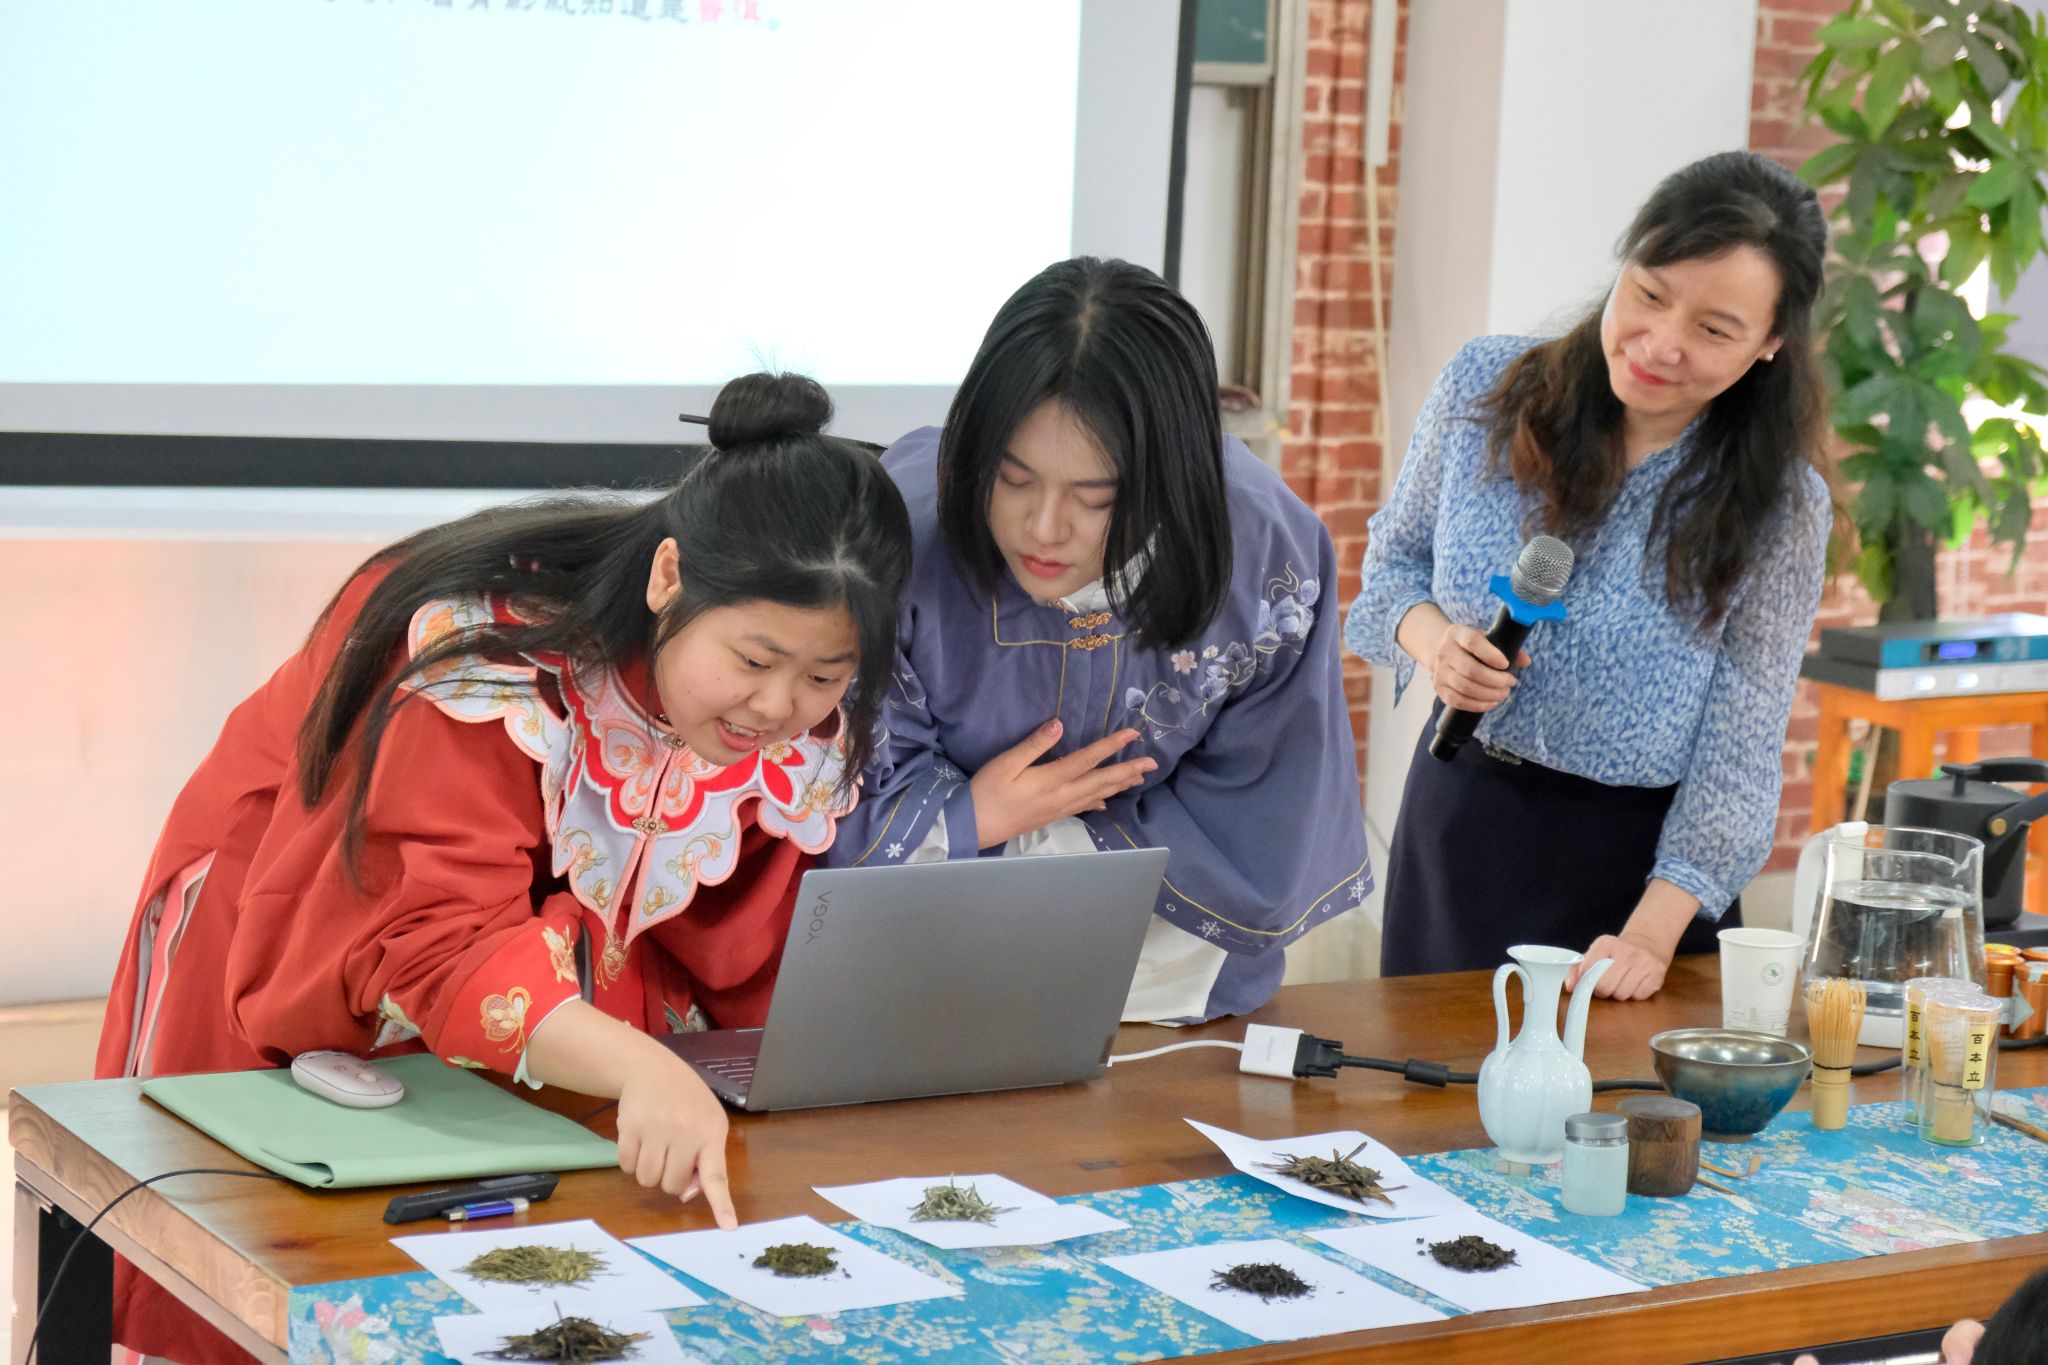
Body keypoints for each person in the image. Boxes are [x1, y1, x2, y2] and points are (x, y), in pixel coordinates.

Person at [92, 373, 911, 1365]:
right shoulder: (484, 656)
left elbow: (733, 938)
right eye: (752, 660)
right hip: (307, 900)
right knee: (257, 1253)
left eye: (823, 675)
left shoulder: (797, 721)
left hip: (518, 956)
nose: (778, 708)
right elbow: (434, 933)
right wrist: (639, 1064)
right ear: (668, 578)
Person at [825, 256, 1372, 1023]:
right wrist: (978, 816)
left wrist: (1068, 848)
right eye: (1013, 479)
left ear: (1173, 478)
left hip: (1160, 948)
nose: (1044, 529)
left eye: (1096, 498)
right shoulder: (901, 538)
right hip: (926, 930)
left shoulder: (1265, 554)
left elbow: (1264, 811)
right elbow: (844, 800)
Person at [1345, 150, 1833, 998]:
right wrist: (1437, 645)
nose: (1662, 345)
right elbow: (1391, 567)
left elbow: (1741, 749)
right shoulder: (1487, 389)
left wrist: (1648, 935)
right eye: (1649, 294)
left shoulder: (1781, 505)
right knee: (1431, 1079)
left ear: (1770, 345)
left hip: (1637, 875)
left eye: (1715, 330)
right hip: (1461, 818)